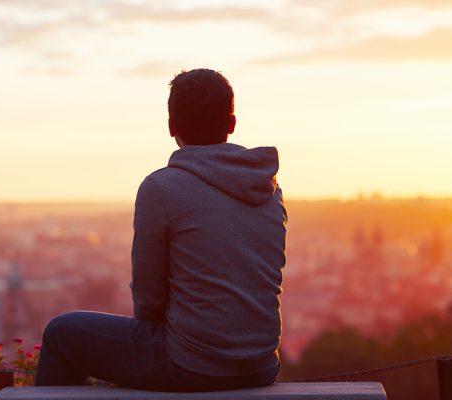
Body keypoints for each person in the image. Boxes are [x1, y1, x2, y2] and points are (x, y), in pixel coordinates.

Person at [35, 68, 287, 391]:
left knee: (61, 334)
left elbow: (149, 297)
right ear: (232, 124)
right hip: (263, 366)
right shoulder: (268, 187)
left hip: (193, 365)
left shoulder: (162, 188)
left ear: (171, 127)